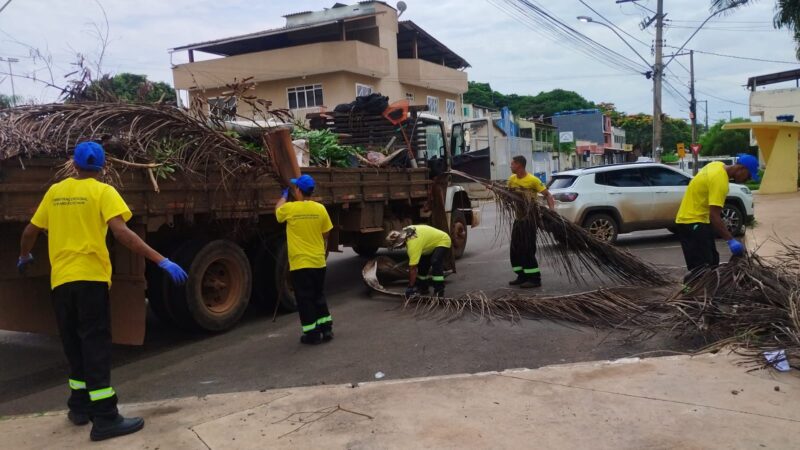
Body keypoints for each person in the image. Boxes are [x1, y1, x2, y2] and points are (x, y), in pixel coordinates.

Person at [17, 142, 188, 442]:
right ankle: (106, 418)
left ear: (74, 164)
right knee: (95, 345)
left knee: (73, 343)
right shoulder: (104, 192)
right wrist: (161, 260)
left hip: (61, 282)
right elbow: (122, 232)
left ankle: (79, 407)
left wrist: (24, 256)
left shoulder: (54, 192)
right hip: (91, 280)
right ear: (103, 166)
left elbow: (30, 231)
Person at [674, 153, 759, 280]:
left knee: (712, 261)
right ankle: (692, 292)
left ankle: (702, 291)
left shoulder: (717, 165)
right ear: (741, 169)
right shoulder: (720, 182)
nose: (747, 180)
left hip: (697, 220)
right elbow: (714, 215)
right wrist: (730, 240)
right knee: (702, 267)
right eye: (748, 176)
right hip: (692, 222)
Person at [276, 174, 334, 345]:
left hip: (300, 263)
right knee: (318, 295)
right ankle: (326, 329)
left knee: (305, 299)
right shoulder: (320, 209)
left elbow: (278, 211)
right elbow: (326, 233)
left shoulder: (291, 209)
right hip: (318, 261)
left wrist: (284, 196)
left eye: (296, 188)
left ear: (299, 191)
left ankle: (312, 334)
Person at [507, 155, 555, 288]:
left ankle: (534, 279)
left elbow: (548, 195)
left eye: (512, 164)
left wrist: (552, 211)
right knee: (515, 249)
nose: (511, 166)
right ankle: (521, 276)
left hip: (529, 220)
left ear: (519, 165)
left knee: (527, 249)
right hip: (518, 219)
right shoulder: (512, 179)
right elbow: (508, 194)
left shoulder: (533, 180)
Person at [387, 224, 452, 298]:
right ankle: (423, 288)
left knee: (435, 261)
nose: (398, 248)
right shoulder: (405, 231)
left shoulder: (413, 245)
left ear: (400, 243)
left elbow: (413, 269)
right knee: (422, 265)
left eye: (397, 247)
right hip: (428, 244)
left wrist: (410, 286)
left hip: (442, 240)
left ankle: (439, 291)